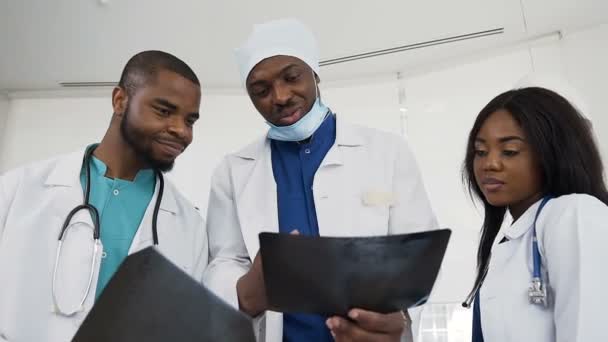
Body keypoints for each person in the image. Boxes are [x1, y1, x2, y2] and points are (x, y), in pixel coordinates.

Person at [203, 19, 437, 342]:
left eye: (291, 77)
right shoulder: (233, 171)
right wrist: (245, 292)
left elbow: (418, 255)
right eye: (261, 90)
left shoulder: (387, 152)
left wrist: (396, 317)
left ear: (314, 72)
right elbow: (223, 261)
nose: (280, 96)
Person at [0, 50, 208, 341]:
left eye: (190, 121)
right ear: (120, 101)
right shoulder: (18, 189)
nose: (181, 131)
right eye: (164, 110)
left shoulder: (190, 227)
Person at [462, 87, 608, 341]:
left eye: (509, 151)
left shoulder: (574, 214)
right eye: (481, 151)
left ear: (552, 153)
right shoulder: (514, 240)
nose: (489, 163)